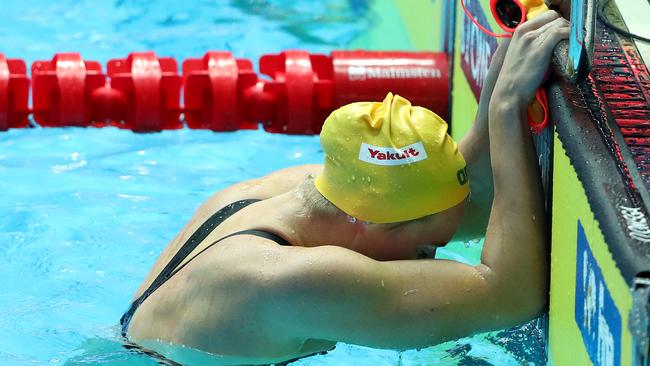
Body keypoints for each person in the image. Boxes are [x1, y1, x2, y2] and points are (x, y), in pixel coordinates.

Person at [120, 10, 570, 366]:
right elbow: (510, 297)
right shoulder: (289, 281)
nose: (429, 263)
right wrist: (508, 111)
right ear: (372, 221)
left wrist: (500, 83)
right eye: (425, 250)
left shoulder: (295, 191)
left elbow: (464, 202)